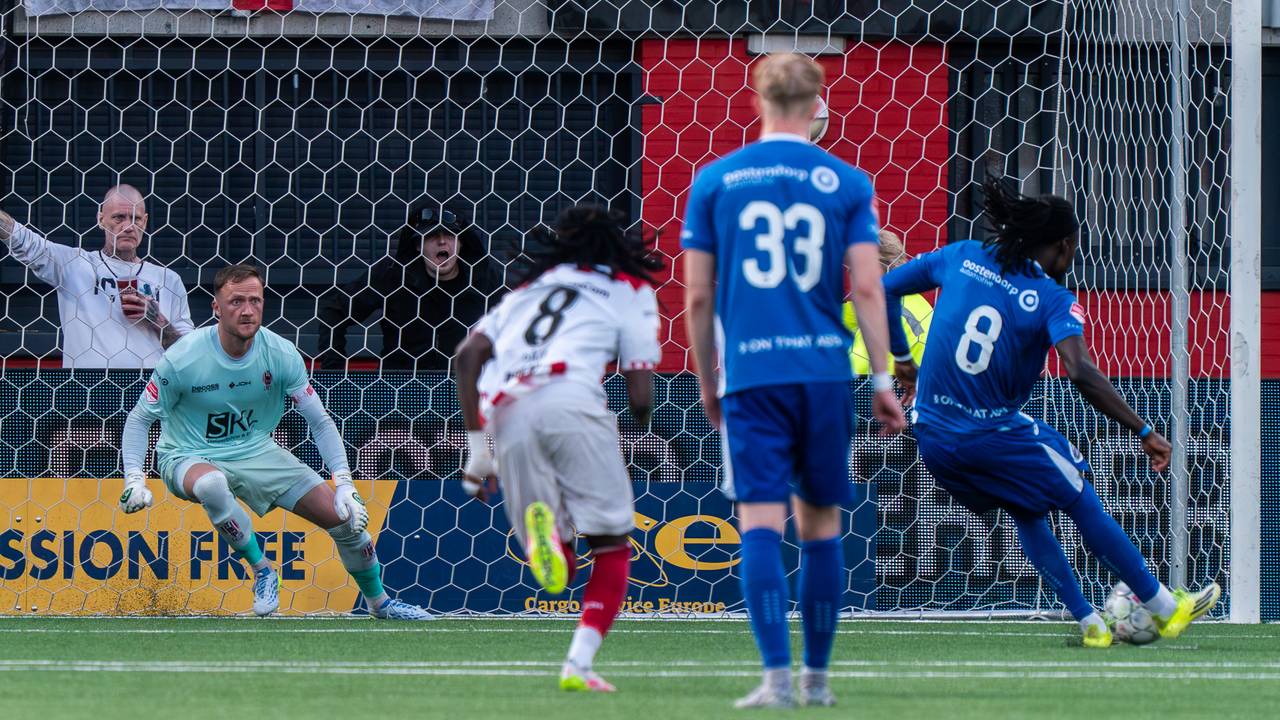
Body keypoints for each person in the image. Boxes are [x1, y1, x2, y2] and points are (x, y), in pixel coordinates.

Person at [884, 177, 1220, 648]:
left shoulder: (960, 256)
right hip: (988, 430)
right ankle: (1164, 605)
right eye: (1075, 246)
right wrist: (1144, 429)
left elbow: (881, 290)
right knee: (1078, 491)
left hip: (932, 436)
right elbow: (1080, 371)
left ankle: (1090, 623)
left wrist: (902, 361)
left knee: (1026, 506)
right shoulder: (1050, 298)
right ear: (1063, 246)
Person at [681, 53, 907, 709]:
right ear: (818, 105)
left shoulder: (717, 180)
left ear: (757, 99)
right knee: (821, 526)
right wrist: (884, 377)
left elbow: (698, 298)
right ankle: (819, 682)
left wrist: (705, 380)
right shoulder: (847, 181)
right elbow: (867, 285)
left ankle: (775, 680)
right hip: (824, 373)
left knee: (759, 522)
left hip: (752, 373)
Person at [118, 263, 431, 620]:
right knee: (211, 484)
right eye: (236, 301)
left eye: (255, 300)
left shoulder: (280, 354)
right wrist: (134, 479)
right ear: (216, 308)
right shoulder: (184, 357)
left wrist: (344, 482)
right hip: (187, 454)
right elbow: (140, 418)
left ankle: (380, 604)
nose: (248, 310)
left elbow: (320, 420)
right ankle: (263, 570)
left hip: (256, 450)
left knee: (344, 519)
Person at [455, 204, 662, 693]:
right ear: (618, 248)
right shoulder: (630, 289)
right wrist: (640, 422)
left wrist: (477, 448)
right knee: (611, 544)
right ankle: (578, 666)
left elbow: (468, 356)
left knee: (556, 561)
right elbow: (640, 395)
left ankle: (551, 543)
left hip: (506, 413)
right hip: (573, 401)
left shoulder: (526, 291)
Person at [0, 185, 193, 368]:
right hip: (87, 393)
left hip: (149, 395)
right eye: (119, 217)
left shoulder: (168, 279)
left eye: (136, 218)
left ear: (146, 221)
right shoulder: (75, 266)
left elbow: (189, 353)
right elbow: (24, 241)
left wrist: (157, 319)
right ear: (101, 219)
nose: (129, 226)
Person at [317, 202, 505, 372]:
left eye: (449, 235)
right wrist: (334, 371)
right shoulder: (393, 273)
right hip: (401, 391)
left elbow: (518, 322)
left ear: (461, 243)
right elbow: (333, 310)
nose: (441, 241)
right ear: (417, 245)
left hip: (466, 389)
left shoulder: (485, 277)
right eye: (431, 236)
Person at [842, 229, 931, 374]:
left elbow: (852, 367)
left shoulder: (882, 312)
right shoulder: (915, 299)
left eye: (853, 270)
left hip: (895, 389)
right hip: (921, 386)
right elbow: (848, 313)